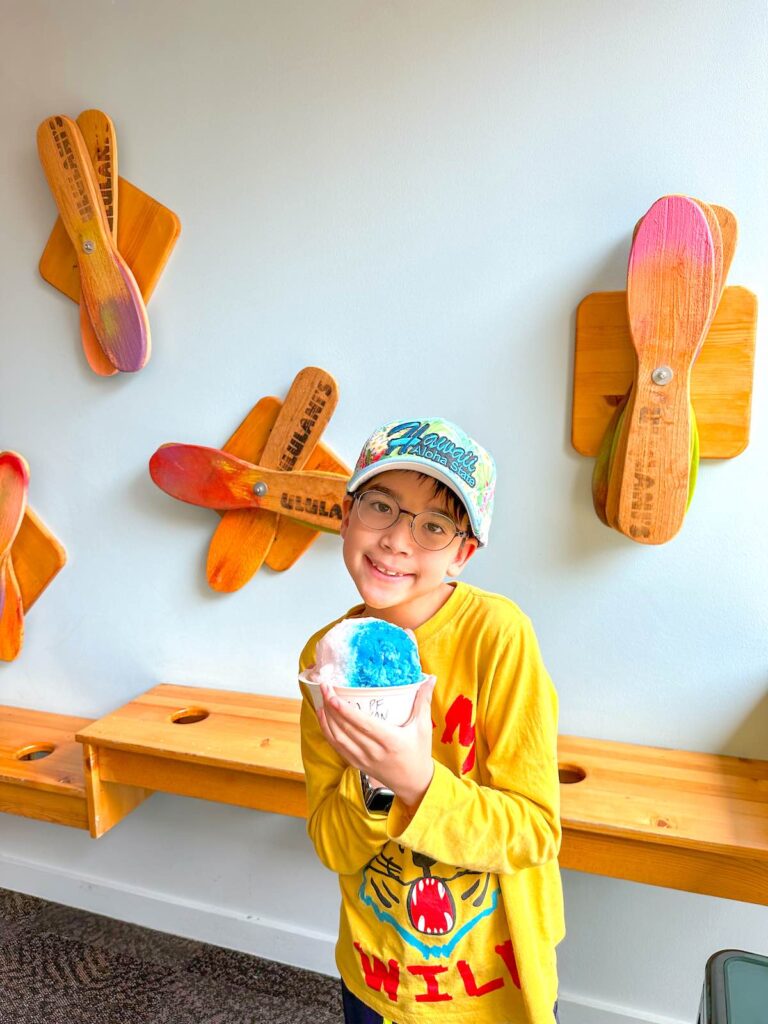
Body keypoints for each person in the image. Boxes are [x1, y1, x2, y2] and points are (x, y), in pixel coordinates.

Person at [298, 418, 564, 1024]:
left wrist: (419, 782)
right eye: (381, 506)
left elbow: (533, 832)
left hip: (496, 977)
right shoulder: (323, 658)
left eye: (434, 525)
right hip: (378, 971)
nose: (397, 540)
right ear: (346, 516)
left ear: (463, 553)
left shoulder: (498, 637)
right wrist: (376, 781)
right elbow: (334, 846)